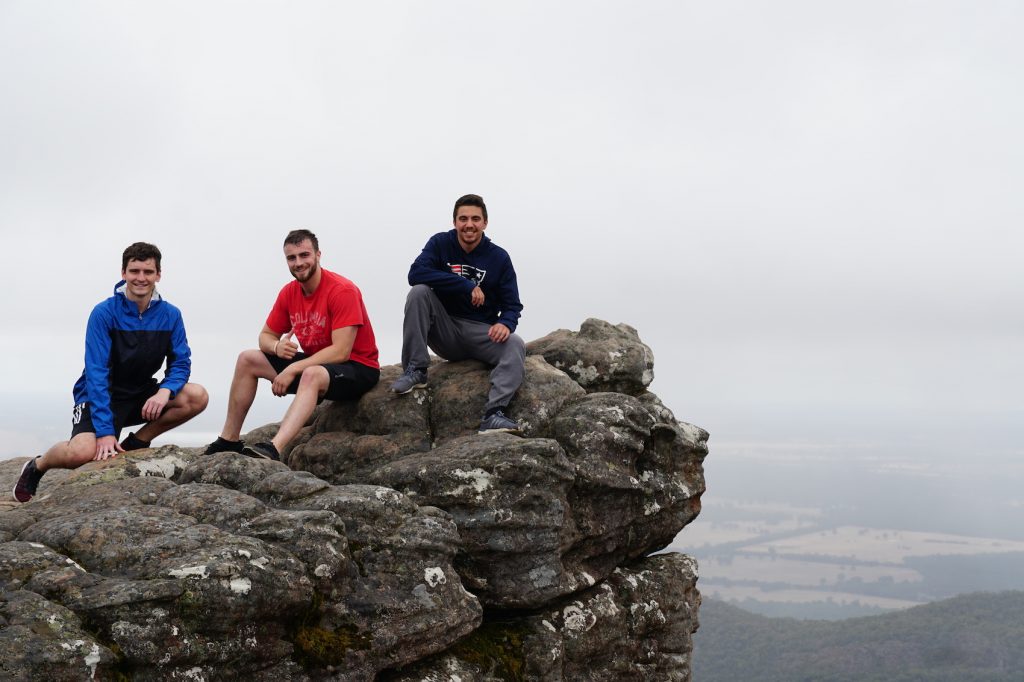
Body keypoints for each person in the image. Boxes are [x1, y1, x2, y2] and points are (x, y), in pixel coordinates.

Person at [13, 242, 208, 503]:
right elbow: (96, 372)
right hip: (98, 395)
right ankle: (37, 465)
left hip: (141, 393)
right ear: (123, 273)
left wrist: (165, 390)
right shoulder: (104, 313)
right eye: (134, 271)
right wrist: (105, 431)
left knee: (196, 396)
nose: (141, 278)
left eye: (148, 272)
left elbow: (181, 362)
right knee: (82, 453)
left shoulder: (171, 315)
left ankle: (136, 443)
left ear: (158, 275)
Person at [205, 229, 380, 460]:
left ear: (318, 255)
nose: (298, 263)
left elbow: (341, 351)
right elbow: (265, 336)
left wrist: (292, 368)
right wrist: (276, 347)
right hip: (318, 366)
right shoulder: (289, 292)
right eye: (291, 258)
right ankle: (228, 440)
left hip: (357, 368)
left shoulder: (342, 290)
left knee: (311, 373)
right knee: (248, 359)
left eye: (304, 255)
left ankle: (273, 448)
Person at [390, 194, 526, 433]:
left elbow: (513, 304)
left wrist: (506, 323)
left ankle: (493, 414)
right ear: (455, 222)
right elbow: (416, 274)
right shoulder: (441, 243)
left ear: (485, 223)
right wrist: (465, 285)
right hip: (444, 328)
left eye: (475, 218)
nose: (469, 224)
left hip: (480, 333)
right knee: (419, 293)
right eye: (463, 219)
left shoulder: (499, 257)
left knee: (515, 343)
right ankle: (416, 370)